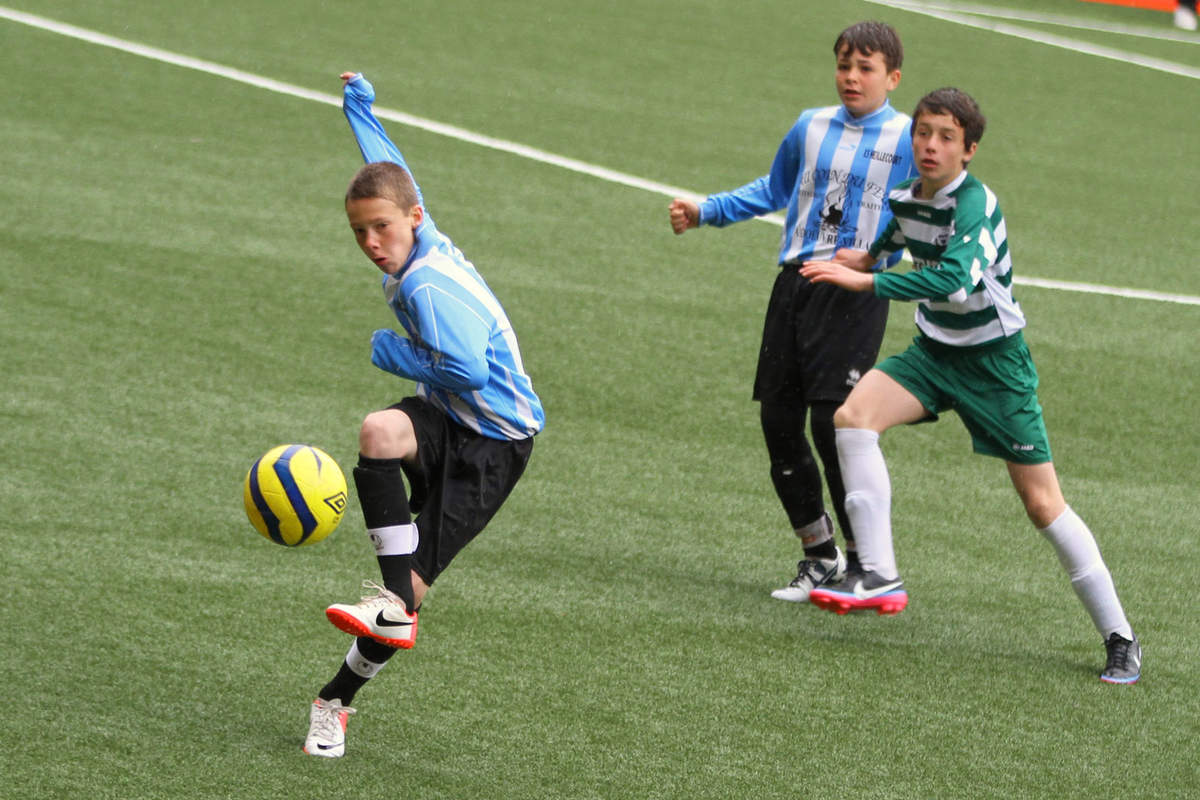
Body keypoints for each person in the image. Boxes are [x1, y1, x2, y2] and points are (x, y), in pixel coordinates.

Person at [799, 88, 1140, 684]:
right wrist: (862, 261)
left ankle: (1120, 636)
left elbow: (954, 279)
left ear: (969, 150)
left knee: (1042, 504)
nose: (930, 145)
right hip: (934, 355)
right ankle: (879, 572)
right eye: (923, 132)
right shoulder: (909, 196)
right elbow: (892, 245)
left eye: (946, 137)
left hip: (995, 367)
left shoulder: (976, 204)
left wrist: (866, 287)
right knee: (852, 418)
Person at [303, 71, 546, 757]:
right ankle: (388, 600)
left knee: (406, 602)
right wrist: (362, 114)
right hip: (448, 417)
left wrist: (399, 355)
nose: (371, 242)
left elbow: (466, 368)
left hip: (496, 445)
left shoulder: (430, 286)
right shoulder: (419, 228)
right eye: (359, 232)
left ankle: (333, 703)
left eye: (379, 227)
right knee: (380, 431)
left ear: (408, 220)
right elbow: (395, 175)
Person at [668, 22, 917, 603]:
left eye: (865, 68)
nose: (851, 78)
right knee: (779, 423)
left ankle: (867, 563)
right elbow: (775, 188)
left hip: (853, 293)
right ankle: (819, 553)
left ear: (893, 78)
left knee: (834, 429)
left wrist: (882, 261)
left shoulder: (910, 138)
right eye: (843, 66)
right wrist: (707, 211)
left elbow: (923, 211)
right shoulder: (811, 125)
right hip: (796, 284)